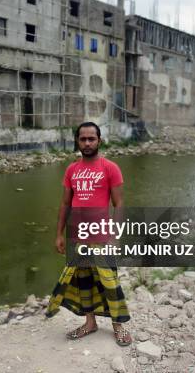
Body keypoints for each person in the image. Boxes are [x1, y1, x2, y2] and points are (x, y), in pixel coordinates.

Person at [45, 122, 132, 346]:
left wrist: (116, 235)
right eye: (82, 139)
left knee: (109, 283)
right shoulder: (72, 169)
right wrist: (59, 234)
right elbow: (65, 204)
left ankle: (118, 327)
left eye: (91, 138)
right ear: (77, 141)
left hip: (101, 236)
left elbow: (119, 203)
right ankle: (90, 322)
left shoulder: (110, 167)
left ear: (99, 141)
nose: (87, 143)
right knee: (84, 283)